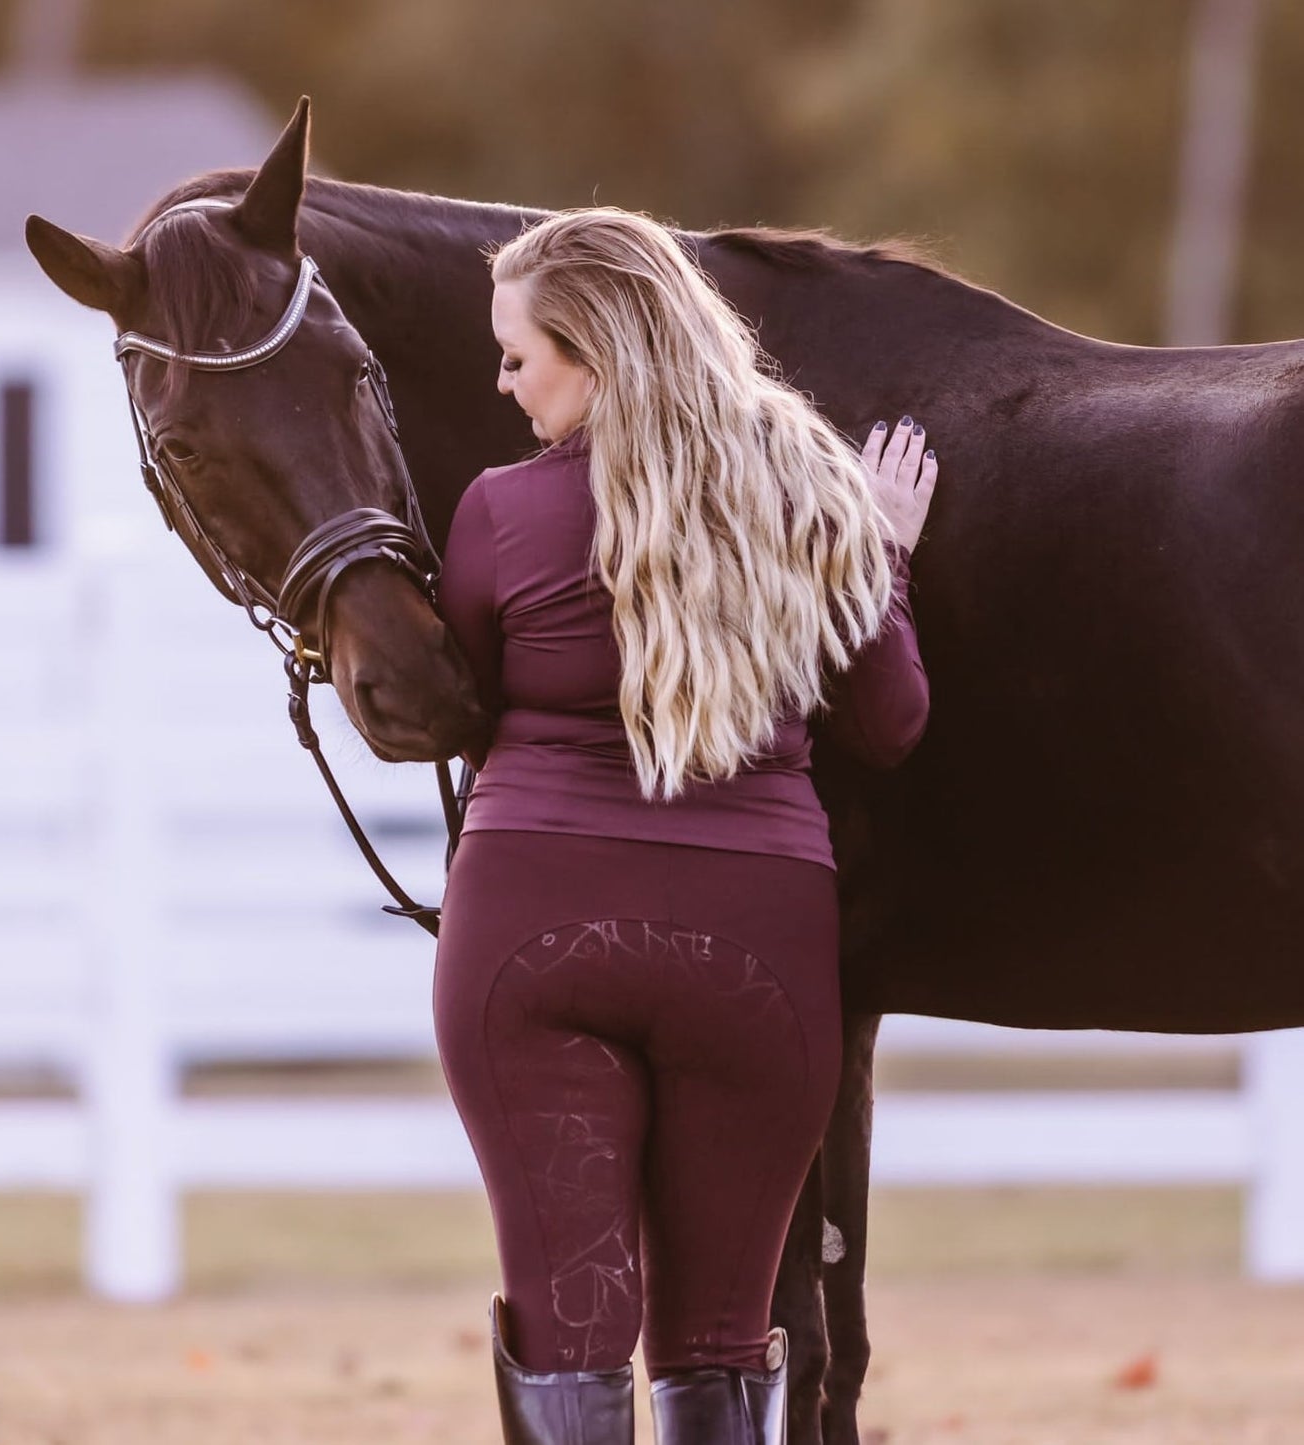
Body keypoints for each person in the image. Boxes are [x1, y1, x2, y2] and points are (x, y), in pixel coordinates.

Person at [433, 208, 934, 1445]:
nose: (502, 383)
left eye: (515, 354)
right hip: (754, 952)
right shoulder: (815, 491)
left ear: (591, 349)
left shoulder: (497, 513)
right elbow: (889, 723)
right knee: (718, 1339)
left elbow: (464, 709)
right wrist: (883, 559)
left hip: (529, 939)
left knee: (567, 1322)